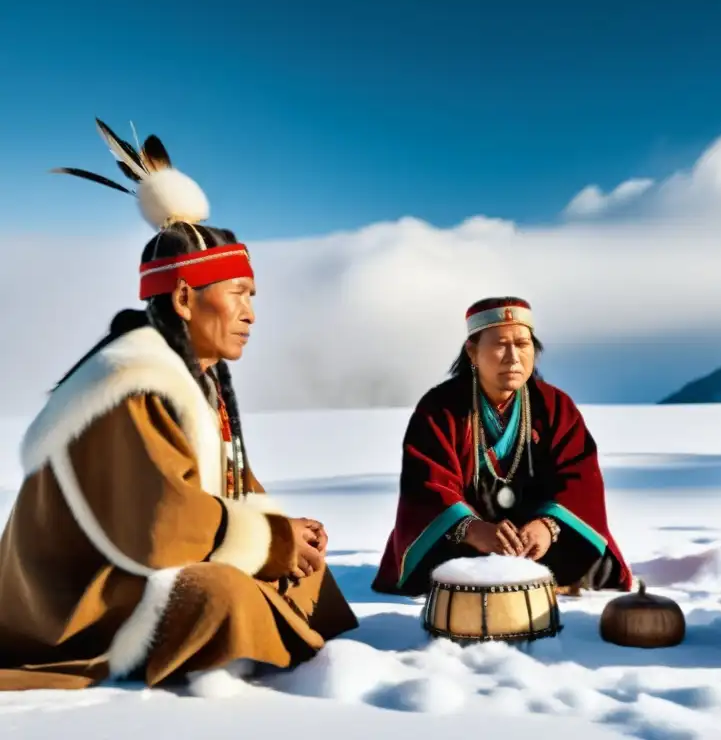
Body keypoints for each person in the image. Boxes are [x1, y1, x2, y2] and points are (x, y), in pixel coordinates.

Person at [0, 119, 357, 691]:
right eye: (239, 295)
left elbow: (223, 483)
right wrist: (274, 540)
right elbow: (161, 523)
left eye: (253, 297)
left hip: (134, 566)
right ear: (187, 298)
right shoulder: (132, 383)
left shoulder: (194, 381)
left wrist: (290, 532)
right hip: (77, 603)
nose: (251, 314)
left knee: (304, 568)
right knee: (226, 595)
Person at [372, 296, 633, 596]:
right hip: (466, 541)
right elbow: (427, 484)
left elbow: (581, 479)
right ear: (472, 352)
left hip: (538, 540)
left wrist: (548, 527)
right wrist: (472, 530)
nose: (513, 357)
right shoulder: (439, 409)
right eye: (499, 344)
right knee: (444, 567)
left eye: (523, 344)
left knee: (591, 558)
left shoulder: (556, 407)